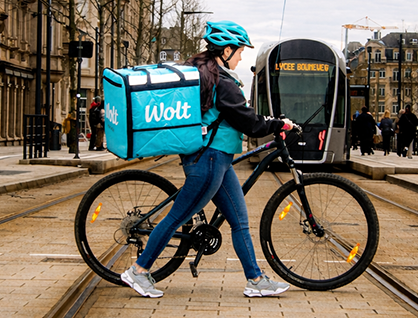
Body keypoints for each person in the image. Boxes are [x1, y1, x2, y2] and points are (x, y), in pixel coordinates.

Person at [121, 21, 293, 299]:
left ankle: (256, 280)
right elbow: (249, 123)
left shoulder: (210, 76)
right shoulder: (222, 83)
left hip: (218, 160)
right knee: (177, 217)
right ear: (225, 51)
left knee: (239, 221)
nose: (240, 57)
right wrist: (278, 124)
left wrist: (273, 123)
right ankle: (139, 271)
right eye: (239, 52)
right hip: (209, 160)